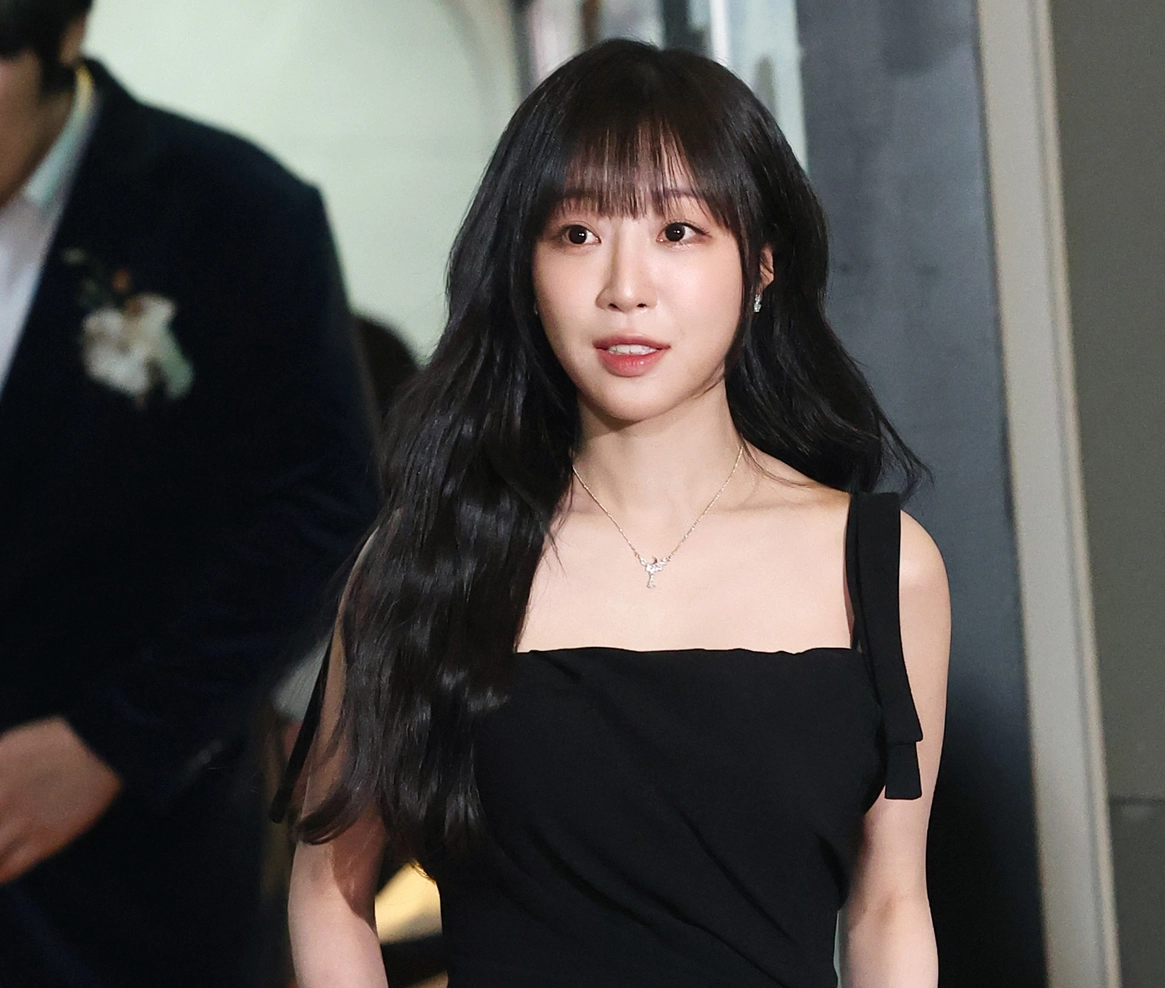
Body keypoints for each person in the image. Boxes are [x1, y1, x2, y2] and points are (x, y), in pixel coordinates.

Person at [287, 39, 950, 988]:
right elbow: (330, 891)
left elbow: (891, 905)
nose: (625, 290)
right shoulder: (430, 558)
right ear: (524, 268)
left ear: (762, 264)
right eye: (577, 234)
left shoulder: (881, 567)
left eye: (678, 231)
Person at [0, 2, 379, 985]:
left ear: (61, 36)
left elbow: (322, 503)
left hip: (133, 859)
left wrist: (113, 743)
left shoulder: (232, 213)